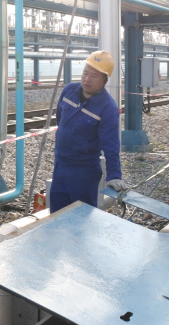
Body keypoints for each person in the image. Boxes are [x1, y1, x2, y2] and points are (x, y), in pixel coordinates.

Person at [50, 50, 128, 212]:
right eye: (85, 73)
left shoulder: (107, 108)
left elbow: (111, 145)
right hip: (60, 166)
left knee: (82, 218)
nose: (87, 79)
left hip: (84, 172)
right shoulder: (69, 91)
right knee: (56, 216)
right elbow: (60, 119)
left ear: (104, 80)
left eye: (93, 76)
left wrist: (114, 175)